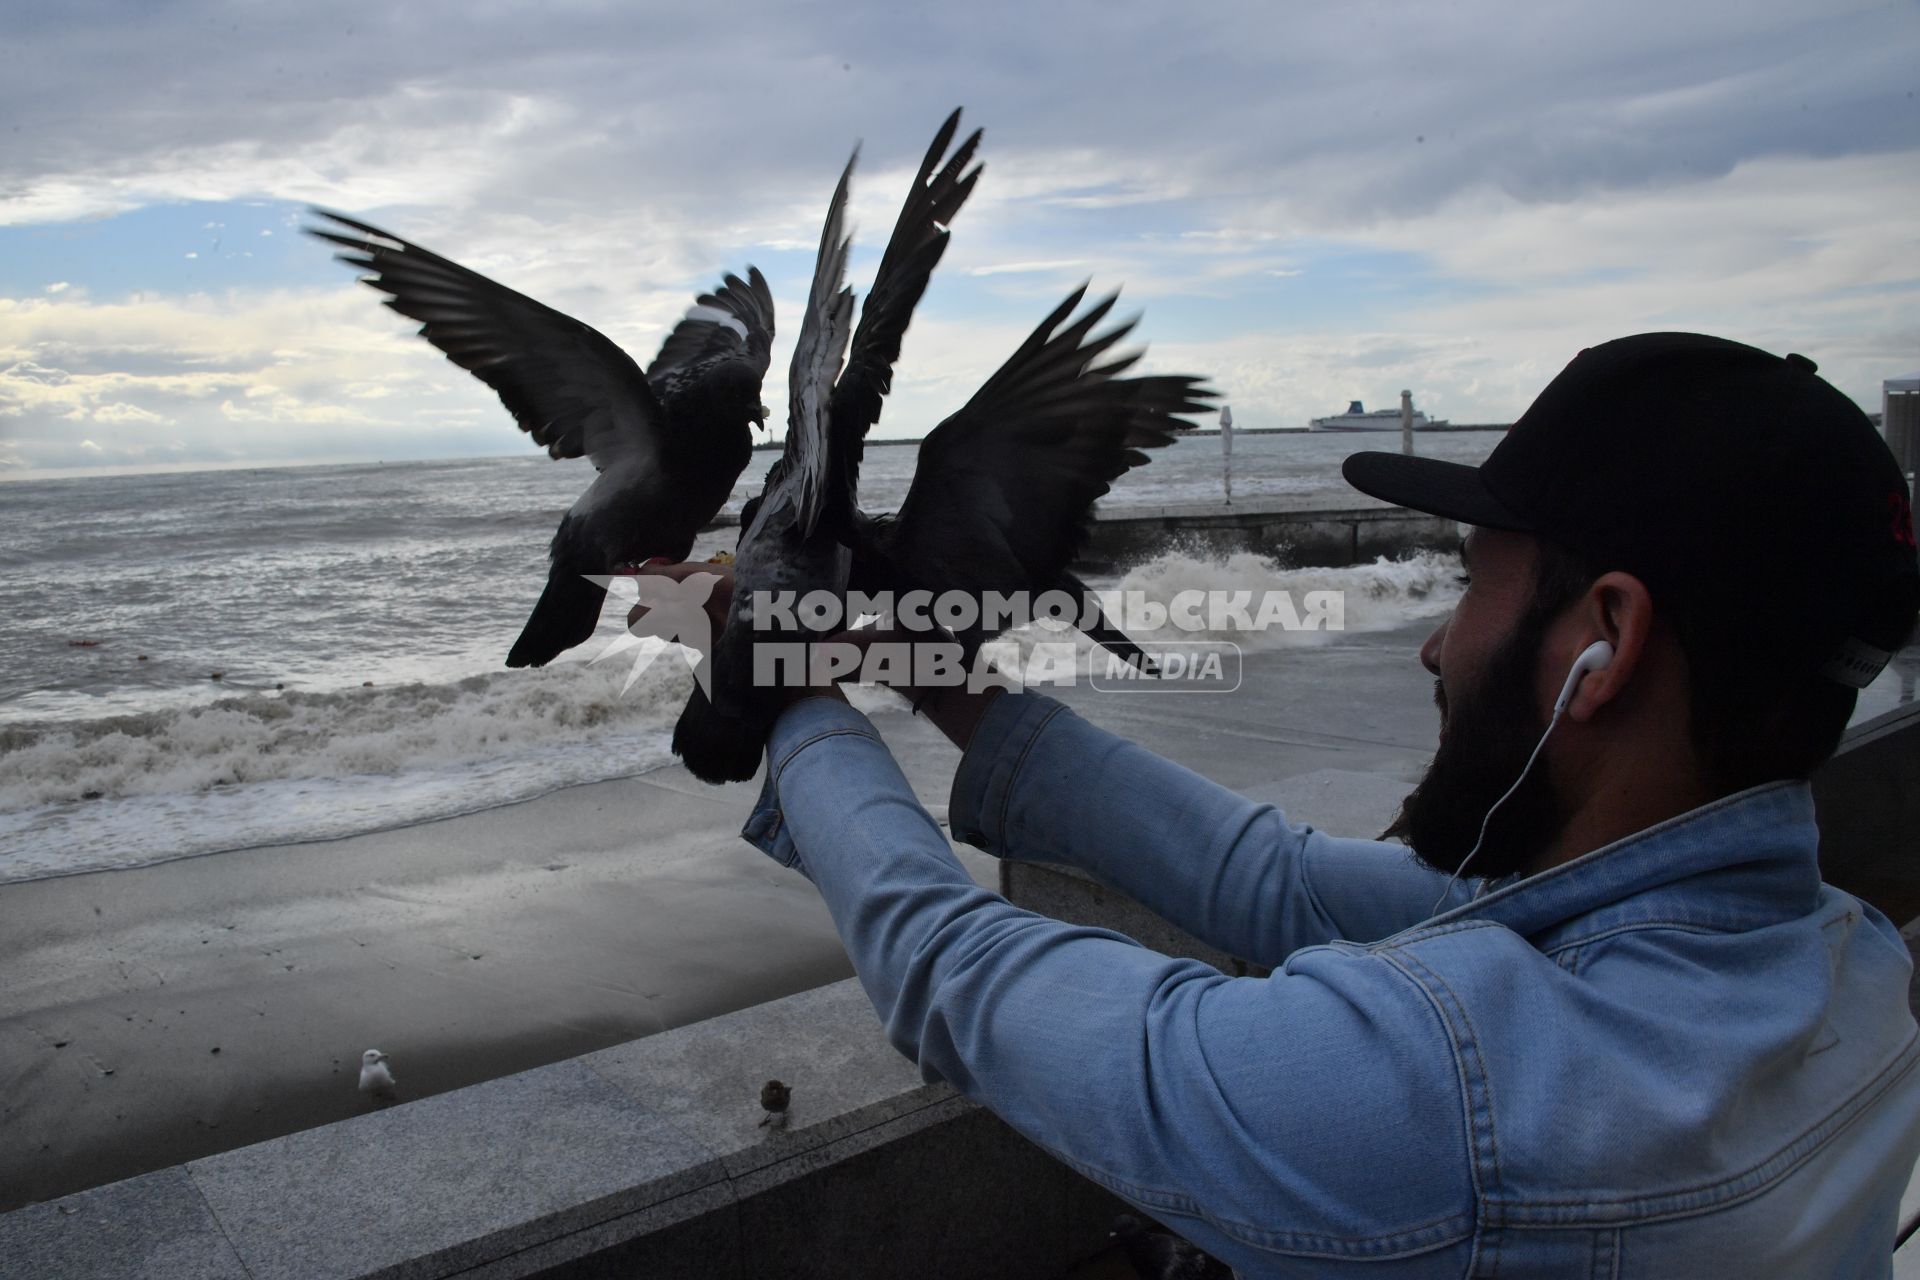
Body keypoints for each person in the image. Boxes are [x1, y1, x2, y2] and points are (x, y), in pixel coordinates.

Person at [641, 333, 1920, 1276]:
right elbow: (1279, 880)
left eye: (1473, 585)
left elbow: (954, 973)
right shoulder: (1852, 961)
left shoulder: (1469, 1103)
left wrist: (776, 675)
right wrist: (924, 665)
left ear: (1606, 639)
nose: (1434, 646)